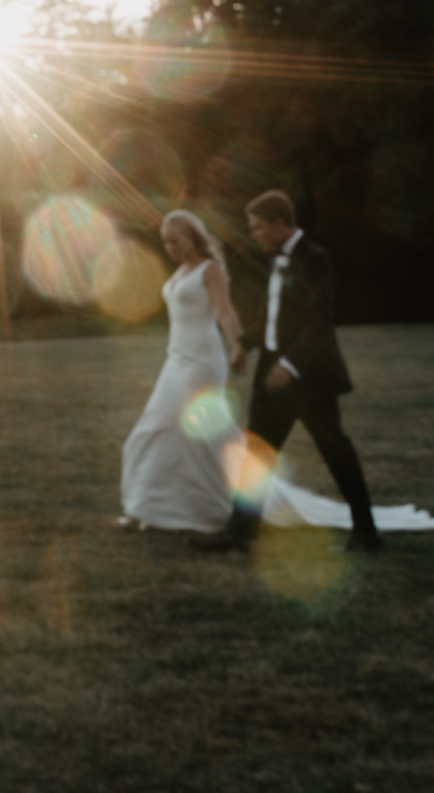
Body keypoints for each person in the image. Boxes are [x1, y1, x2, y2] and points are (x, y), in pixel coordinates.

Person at [194, 189, 403, 553]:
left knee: (335, 450)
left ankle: (367, 533)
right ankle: (241, 533)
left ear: (279, 224)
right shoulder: (276, 260)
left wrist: (289, 366)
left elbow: (319, 322)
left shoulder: (316, 259)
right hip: (270, 374)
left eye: (258, 227)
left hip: (309, 377)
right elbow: (273, 320)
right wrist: (245, 343)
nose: (254, 234)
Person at [115, 209, 242, 532]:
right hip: (176, 360)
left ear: (190, 236)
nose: (170, 248)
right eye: (165, 243)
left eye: (174, 241)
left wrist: (240, 345)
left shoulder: (209, 269)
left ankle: (216, 509)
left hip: (202, 363)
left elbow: (224, 312)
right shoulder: (182, 270)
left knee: (198, 438)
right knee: (150, 431)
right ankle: (141, 507)